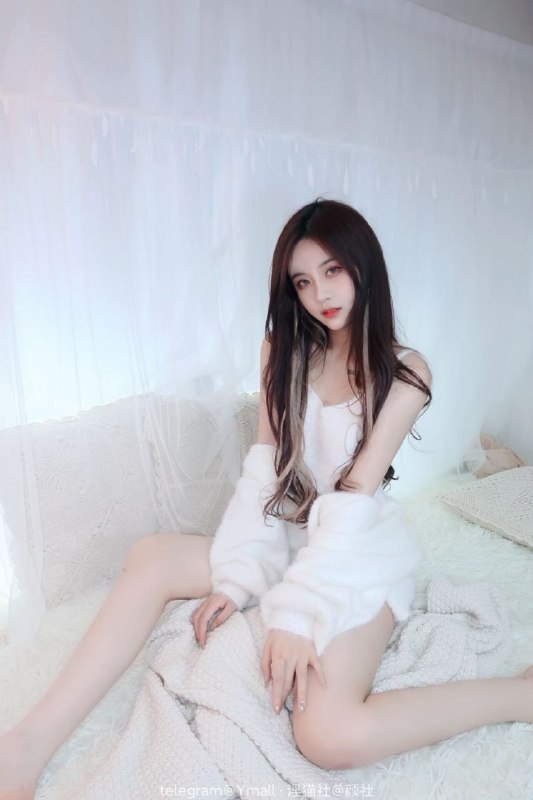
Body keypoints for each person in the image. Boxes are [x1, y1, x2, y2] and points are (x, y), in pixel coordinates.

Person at [1, 198, 532, 798]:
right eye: (302, 282)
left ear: (364, 266)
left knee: (328, 736)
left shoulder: (407, 371)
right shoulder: (283, 349)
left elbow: (356, 492)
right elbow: (266, 470)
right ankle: (25, 747)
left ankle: (518, 696)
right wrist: (237, 576)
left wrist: (299, 617)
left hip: (357, 551)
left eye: (332, 270)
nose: (319, 294)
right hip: (291, 537)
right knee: (152, 556)